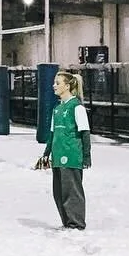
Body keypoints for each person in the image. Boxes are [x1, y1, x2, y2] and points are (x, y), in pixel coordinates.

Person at [38, 68, 90, 230]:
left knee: (72, 191)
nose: (54, 86)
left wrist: (86, 156)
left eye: (57, 83)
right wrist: (46, 153)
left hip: (71, 155)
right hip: (58, 154)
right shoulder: (57, 109)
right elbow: (52, 134)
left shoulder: (77, 107)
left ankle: (76, 224)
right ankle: (67, 222)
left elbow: (85, 133)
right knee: (59, 192)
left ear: (67, 86)